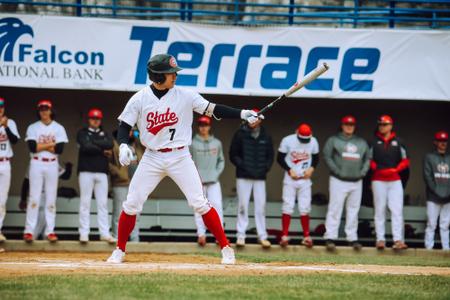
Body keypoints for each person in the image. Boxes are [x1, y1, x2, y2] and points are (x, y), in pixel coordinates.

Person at [107, 54, 261, 264]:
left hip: (180, 156)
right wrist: (124, 144)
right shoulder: (140, 98)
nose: (175, 76)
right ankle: (120, 250)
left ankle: (226, 247)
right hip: (152, 156)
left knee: (200, 202)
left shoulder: (186, 95)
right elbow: (124, 126)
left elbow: (213, 108)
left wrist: (242, 113)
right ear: (158, 77)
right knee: (132, 203)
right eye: (171, 73)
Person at [24, 99, 68, 243]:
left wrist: (40, 145)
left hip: (52, 164)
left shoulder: (58, 128)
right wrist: (51, 144)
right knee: (34, 198)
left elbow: (60, 149)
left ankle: (50, 231)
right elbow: (32, 148)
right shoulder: (33, 127)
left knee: (51, 199)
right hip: (36, 163)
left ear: (51, 110)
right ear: (39, 111)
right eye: (41, 109)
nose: (44, 111)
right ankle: (29, 231)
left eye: (46, 108)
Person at [322, 116, 370, 251]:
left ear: (355, 126)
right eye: (346, 124)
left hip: (356, 180)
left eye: (352, 125)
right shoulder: (334, 140)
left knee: (354, 210)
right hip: (338, 180)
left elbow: (368, 158)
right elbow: (327, 156)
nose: (349, 127)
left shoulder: (361, 142)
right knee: (335, 208)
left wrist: (363, 172)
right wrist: (336, 171)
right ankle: (330, 237)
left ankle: (352, 238)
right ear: (342, 125)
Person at [230, 112, 274, 249]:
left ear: (260, 120)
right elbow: (233, 154)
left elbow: (270, 156)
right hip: (243, 175)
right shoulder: (240, 134)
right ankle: (241, 235)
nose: (254, 121)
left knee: (260, 207)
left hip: (260, 176)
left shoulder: (266, 135)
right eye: (252, 119)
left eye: (257, 119)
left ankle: (262, 236)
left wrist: (264, 169)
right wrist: (244, 166)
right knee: (242, 206)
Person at [370, 115, 409, 250]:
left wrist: (395, 170)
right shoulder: (373, 141)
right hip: (378, 179)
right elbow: (369, 160)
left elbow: (406, 160)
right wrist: (379, 169)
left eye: (385, 124)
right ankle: (380, 239)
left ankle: (398, 240)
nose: (382, 126)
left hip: (394, 179)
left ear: (391, 125)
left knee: (396, 210)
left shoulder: (399, 141)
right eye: (380, 124)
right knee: (379, 210)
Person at [77, 108, 115, 244]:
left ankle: (104, 233)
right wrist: (101, 148)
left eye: (97, 118)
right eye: (93, 118)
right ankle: (84, 232)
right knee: (85, 202)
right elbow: (85, 147)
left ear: (100, 120)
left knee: (103, 204)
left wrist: (93, 142)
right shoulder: (82, 132)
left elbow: (110, 144)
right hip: (85, 171)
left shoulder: (106, 133)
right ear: (89, 119)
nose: (95, 121)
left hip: (102, 172)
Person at [277, 123, 318, 248]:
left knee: (305, 207)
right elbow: (280, 158)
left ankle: (306, 236)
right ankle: (284, 235)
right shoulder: (288, 140)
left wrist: (312, 168)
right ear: (297, 133)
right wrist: (289, 170)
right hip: (291, 177)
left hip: (305, 178)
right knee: (287, 205)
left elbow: (316, 158)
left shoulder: (313, 141)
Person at [190, 116, 225, 246]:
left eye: (205, 125)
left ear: (209, 127)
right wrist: (195, 178)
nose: (203, 128)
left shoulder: (217, 143)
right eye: (200, 125)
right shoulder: (193, 143)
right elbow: (189, 162)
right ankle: (201, 234)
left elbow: (221, 161)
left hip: (214, 181)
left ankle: (219, 236)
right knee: (199, 208)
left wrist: (216, 174)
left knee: (217, 207)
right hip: (198, 183)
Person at [19, 162, 73, 239]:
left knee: (45, 221)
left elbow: (65, 176)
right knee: (37, 220)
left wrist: (69, 167)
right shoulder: (34, 163)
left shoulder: (53, 162)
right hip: (35, 194)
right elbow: (26, 182)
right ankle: (33, 238)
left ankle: (40, 239)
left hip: (47, 195)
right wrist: (23, 199)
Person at [109, 127, 144, 242]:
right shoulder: (116, 143)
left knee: (136, 212)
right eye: (129, 129)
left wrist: (138, 134)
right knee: (119, 212)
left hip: (136, 183)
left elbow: (147, 144)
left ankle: (134, 239)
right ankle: (116, 237)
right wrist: (119, 174)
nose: (131, 132)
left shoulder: (138, 144)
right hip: (121, 182)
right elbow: (109, 163)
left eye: (133, 130)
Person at [423, 131, 450, 251]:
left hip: (448, 197)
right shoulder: (429, 157)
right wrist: (437, 192)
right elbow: (427, 176)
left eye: (444, 141)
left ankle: (446, 248)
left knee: (445, 225)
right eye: (440, 141)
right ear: (435, 142)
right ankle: (429, 248)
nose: (443, 143)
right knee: (431, 224)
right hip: (433, 197)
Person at [0, 97, 20, 242]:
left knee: (2, 200)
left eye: (1, 106)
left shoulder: (10, 122)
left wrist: (5, 126)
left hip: (5, 163)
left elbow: (14, 140)